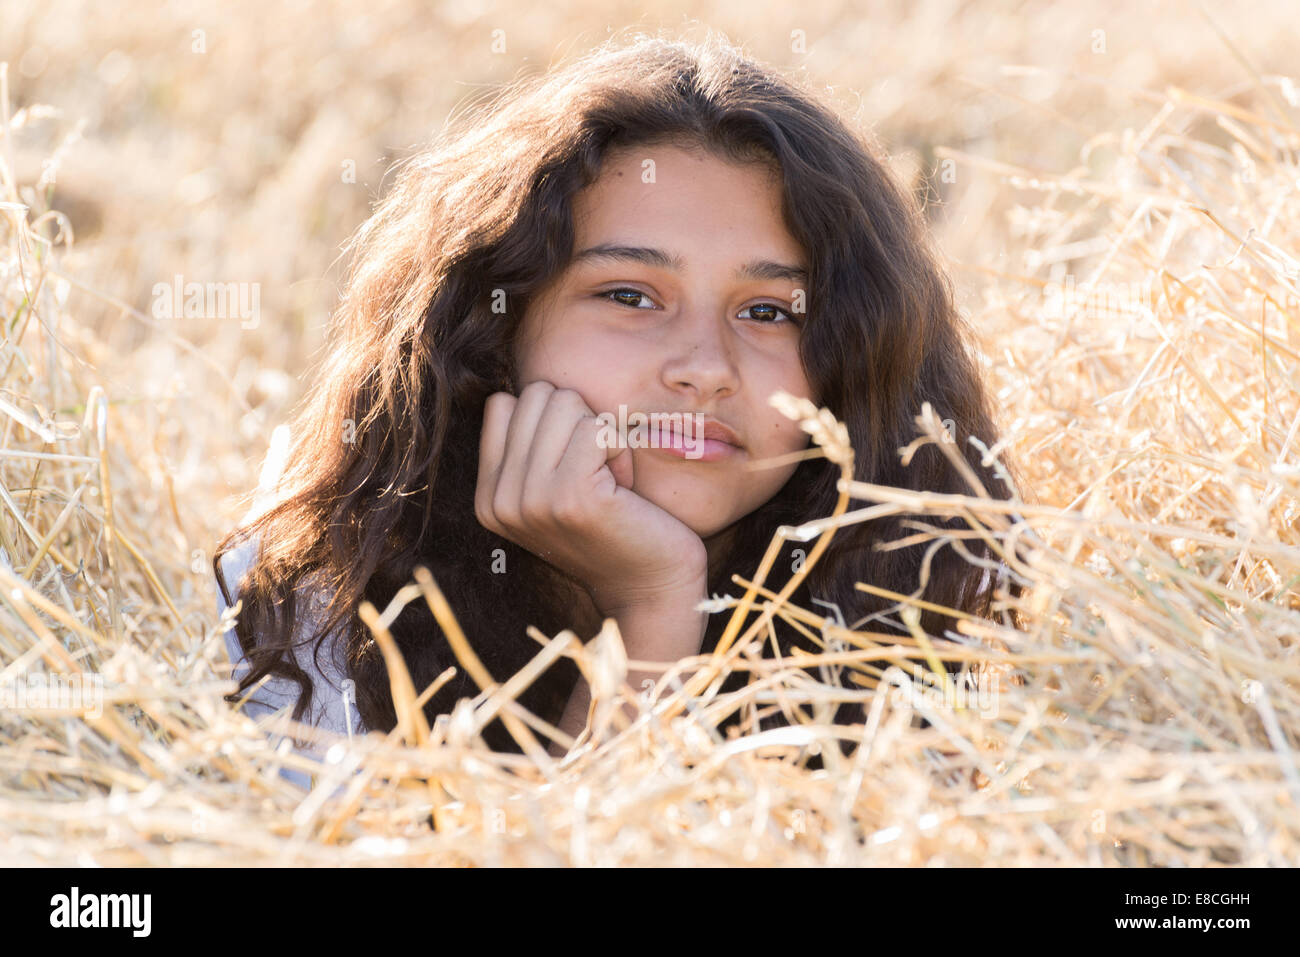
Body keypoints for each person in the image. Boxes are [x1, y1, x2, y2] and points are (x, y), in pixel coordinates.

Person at [214, 30, 1025, 771]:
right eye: (631, 296)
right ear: (496, 325)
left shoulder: (918, 618)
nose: (705, 368)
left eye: (770, 311)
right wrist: (652, 611)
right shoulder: (306, 612)